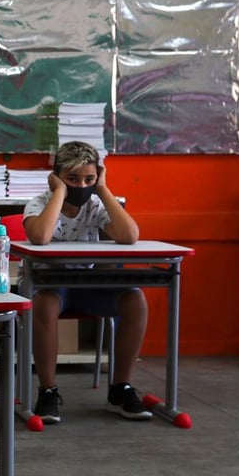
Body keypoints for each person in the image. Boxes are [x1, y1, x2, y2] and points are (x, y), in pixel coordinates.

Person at [22, 140, 149, 424]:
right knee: (45, 303)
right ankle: (48, 390)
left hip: (86, 283)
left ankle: (120, 389)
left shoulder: (95, 205)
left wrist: (102, 189)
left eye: (89, 179)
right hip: (48, 284)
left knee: (135, 299)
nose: (81, 186)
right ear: (56, 177)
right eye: (72, 179)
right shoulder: (39, 203)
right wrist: (60, 193)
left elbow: (130, 236)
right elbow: (40, 237)